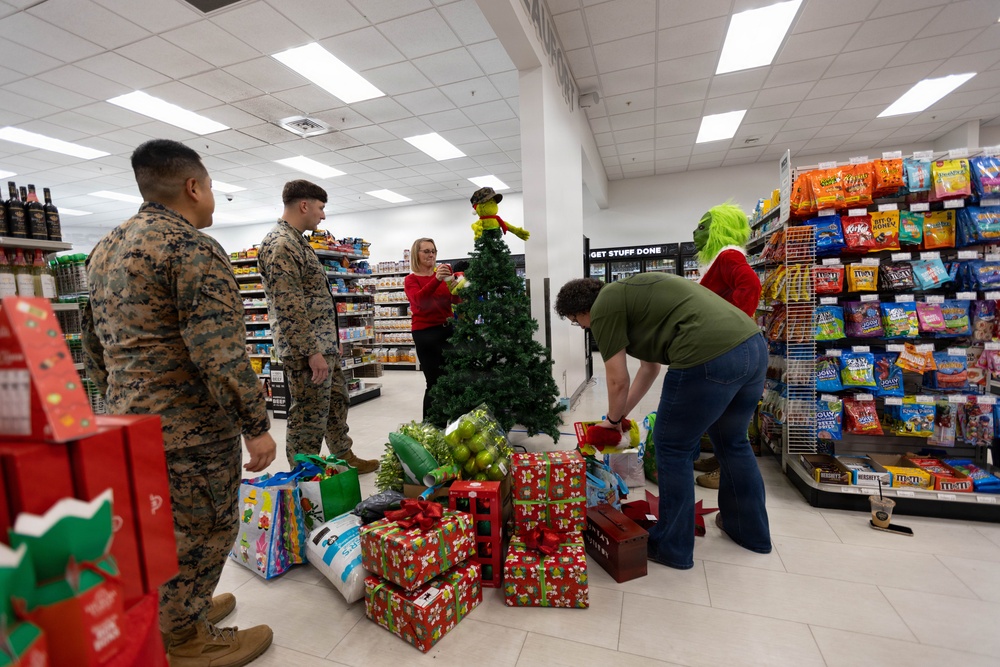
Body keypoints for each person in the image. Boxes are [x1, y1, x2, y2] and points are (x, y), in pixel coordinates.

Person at [82, 139, 276, 665]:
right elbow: (220, 352)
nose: (213, 198)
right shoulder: (191, 247)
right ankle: (185, 638)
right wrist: (254, 424)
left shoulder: (106, 247)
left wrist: (115, 402)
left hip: (129, 423)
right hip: (191, 429)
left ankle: (179, 611)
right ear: (193, 186)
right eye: (211, 187)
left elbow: (92, 342)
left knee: (160, 526)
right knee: (207, 527)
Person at [554, 274, 771, 570]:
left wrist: (614, 419)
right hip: (753, 347)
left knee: (672, 447)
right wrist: (615, 420)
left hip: (706, 353)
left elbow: (618, 379)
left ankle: (673, 547)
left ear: (582, 312)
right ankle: (750, 531)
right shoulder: (628, 296)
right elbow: (649, 369)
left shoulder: (603, 307)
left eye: (577, 323)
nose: (583, 327)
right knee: (732, 442)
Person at [257, 180, 378, 473]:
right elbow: (290, 307)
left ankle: (343, 455)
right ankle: (304, 473)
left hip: (324, 345)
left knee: (336, 402)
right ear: (304, 205)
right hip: (306, 350)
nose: (323, 216)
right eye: (321, 208)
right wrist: (312, 352)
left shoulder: (298, 240)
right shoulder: (282, 244)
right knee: (309, 415)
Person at [691, 202, 762, 486]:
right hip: (727, 347)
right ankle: (719, 458)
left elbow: (751, 287)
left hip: (729, 347)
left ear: (720, 228)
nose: (697, 232)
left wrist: (731, 324)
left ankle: (727, 470)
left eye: (703, 226)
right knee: (721, 413)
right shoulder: (720, 259)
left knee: (730, 419)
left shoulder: (728, 256)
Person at [404, 237, 459, 424]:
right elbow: (419, 303)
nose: (431, 254)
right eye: (426, 251)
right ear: (416, 254)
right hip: (426, 334)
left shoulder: (443, 277)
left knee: (451, 379)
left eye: (433, 251)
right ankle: (431, 426)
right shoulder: (411, 280)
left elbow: (455, 301)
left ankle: (449, 422)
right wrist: (436, 279)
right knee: (434, 382)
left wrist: (460, 288)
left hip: (448, 330)